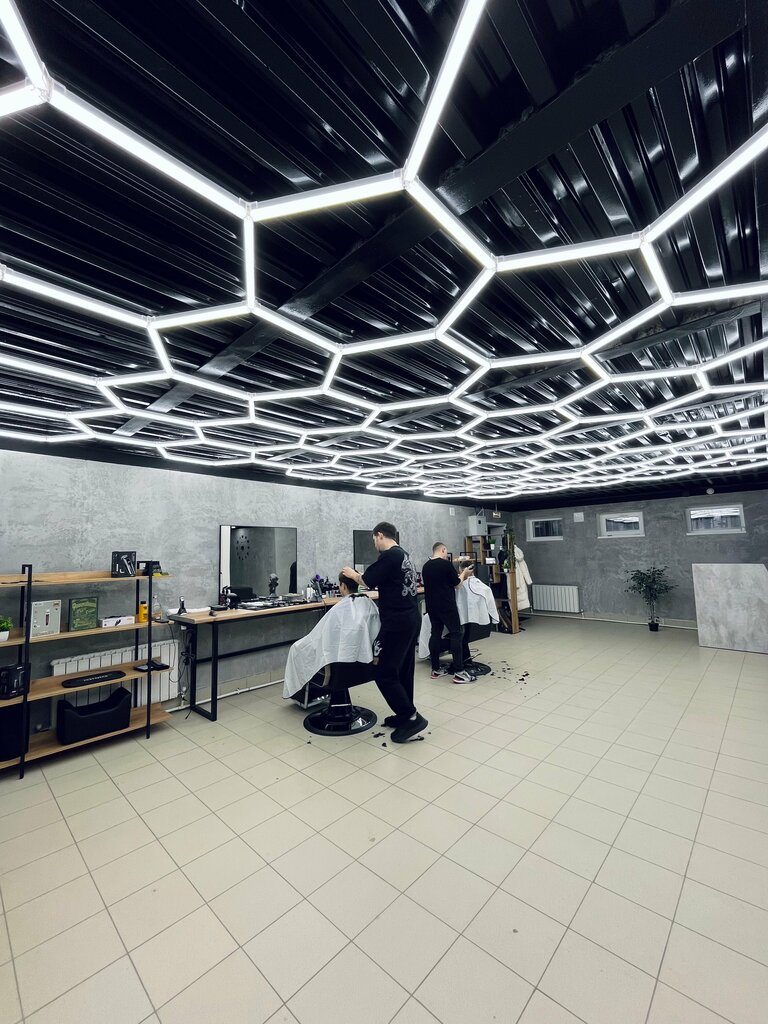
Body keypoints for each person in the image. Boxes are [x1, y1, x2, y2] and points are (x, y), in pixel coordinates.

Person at [342, 522, 426, 742]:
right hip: (410, 617)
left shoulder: (389, 556)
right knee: (404, 670)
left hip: (397, 622)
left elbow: (367, 581)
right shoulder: (404, 555)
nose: (374, 545)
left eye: (374, 540)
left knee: (383, 672)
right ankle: (405, 715)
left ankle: (411, 716)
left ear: (380, 535)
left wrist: (353, 574)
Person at [283, 572, 380, 699]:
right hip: (366, 664)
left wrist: (298, 647)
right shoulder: (369, 604)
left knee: (296, 649)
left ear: (343, 586)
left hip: (340, 668)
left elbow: (320, 639)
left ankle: (301, 693)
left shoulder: (340, 609)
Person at [421, 543, 475, 683]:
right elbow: (457, 584)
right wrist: (464, 573)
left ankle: (435, 669)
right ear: (443, 550)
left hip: (432, 606)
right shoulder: (446, 565)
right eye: (446, 552)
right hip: (446, 605)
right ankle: (459, 672)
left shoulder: (426, 566)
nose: (446, 554)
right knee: (456, 633)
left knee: (435, 634)